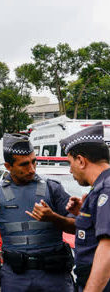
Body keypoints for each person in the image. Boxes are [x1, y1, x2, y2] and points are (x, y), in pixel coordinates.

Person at [0, 133, 75, 292]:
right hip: (16, 277)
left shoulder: (53, 189)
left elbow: (76, 226)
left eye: (34, 162)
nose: (32, 169)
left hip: (54, 276)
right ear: (8, 166)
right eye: (24, 164)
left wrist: (54, 218)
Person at [61, 122, 110, 291]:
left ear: (81, 160)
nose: (70, 171)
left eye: (70, 163)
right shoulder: (100, 189)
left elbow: (107, 250)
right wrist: (85, 213)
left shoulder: (106, 189)